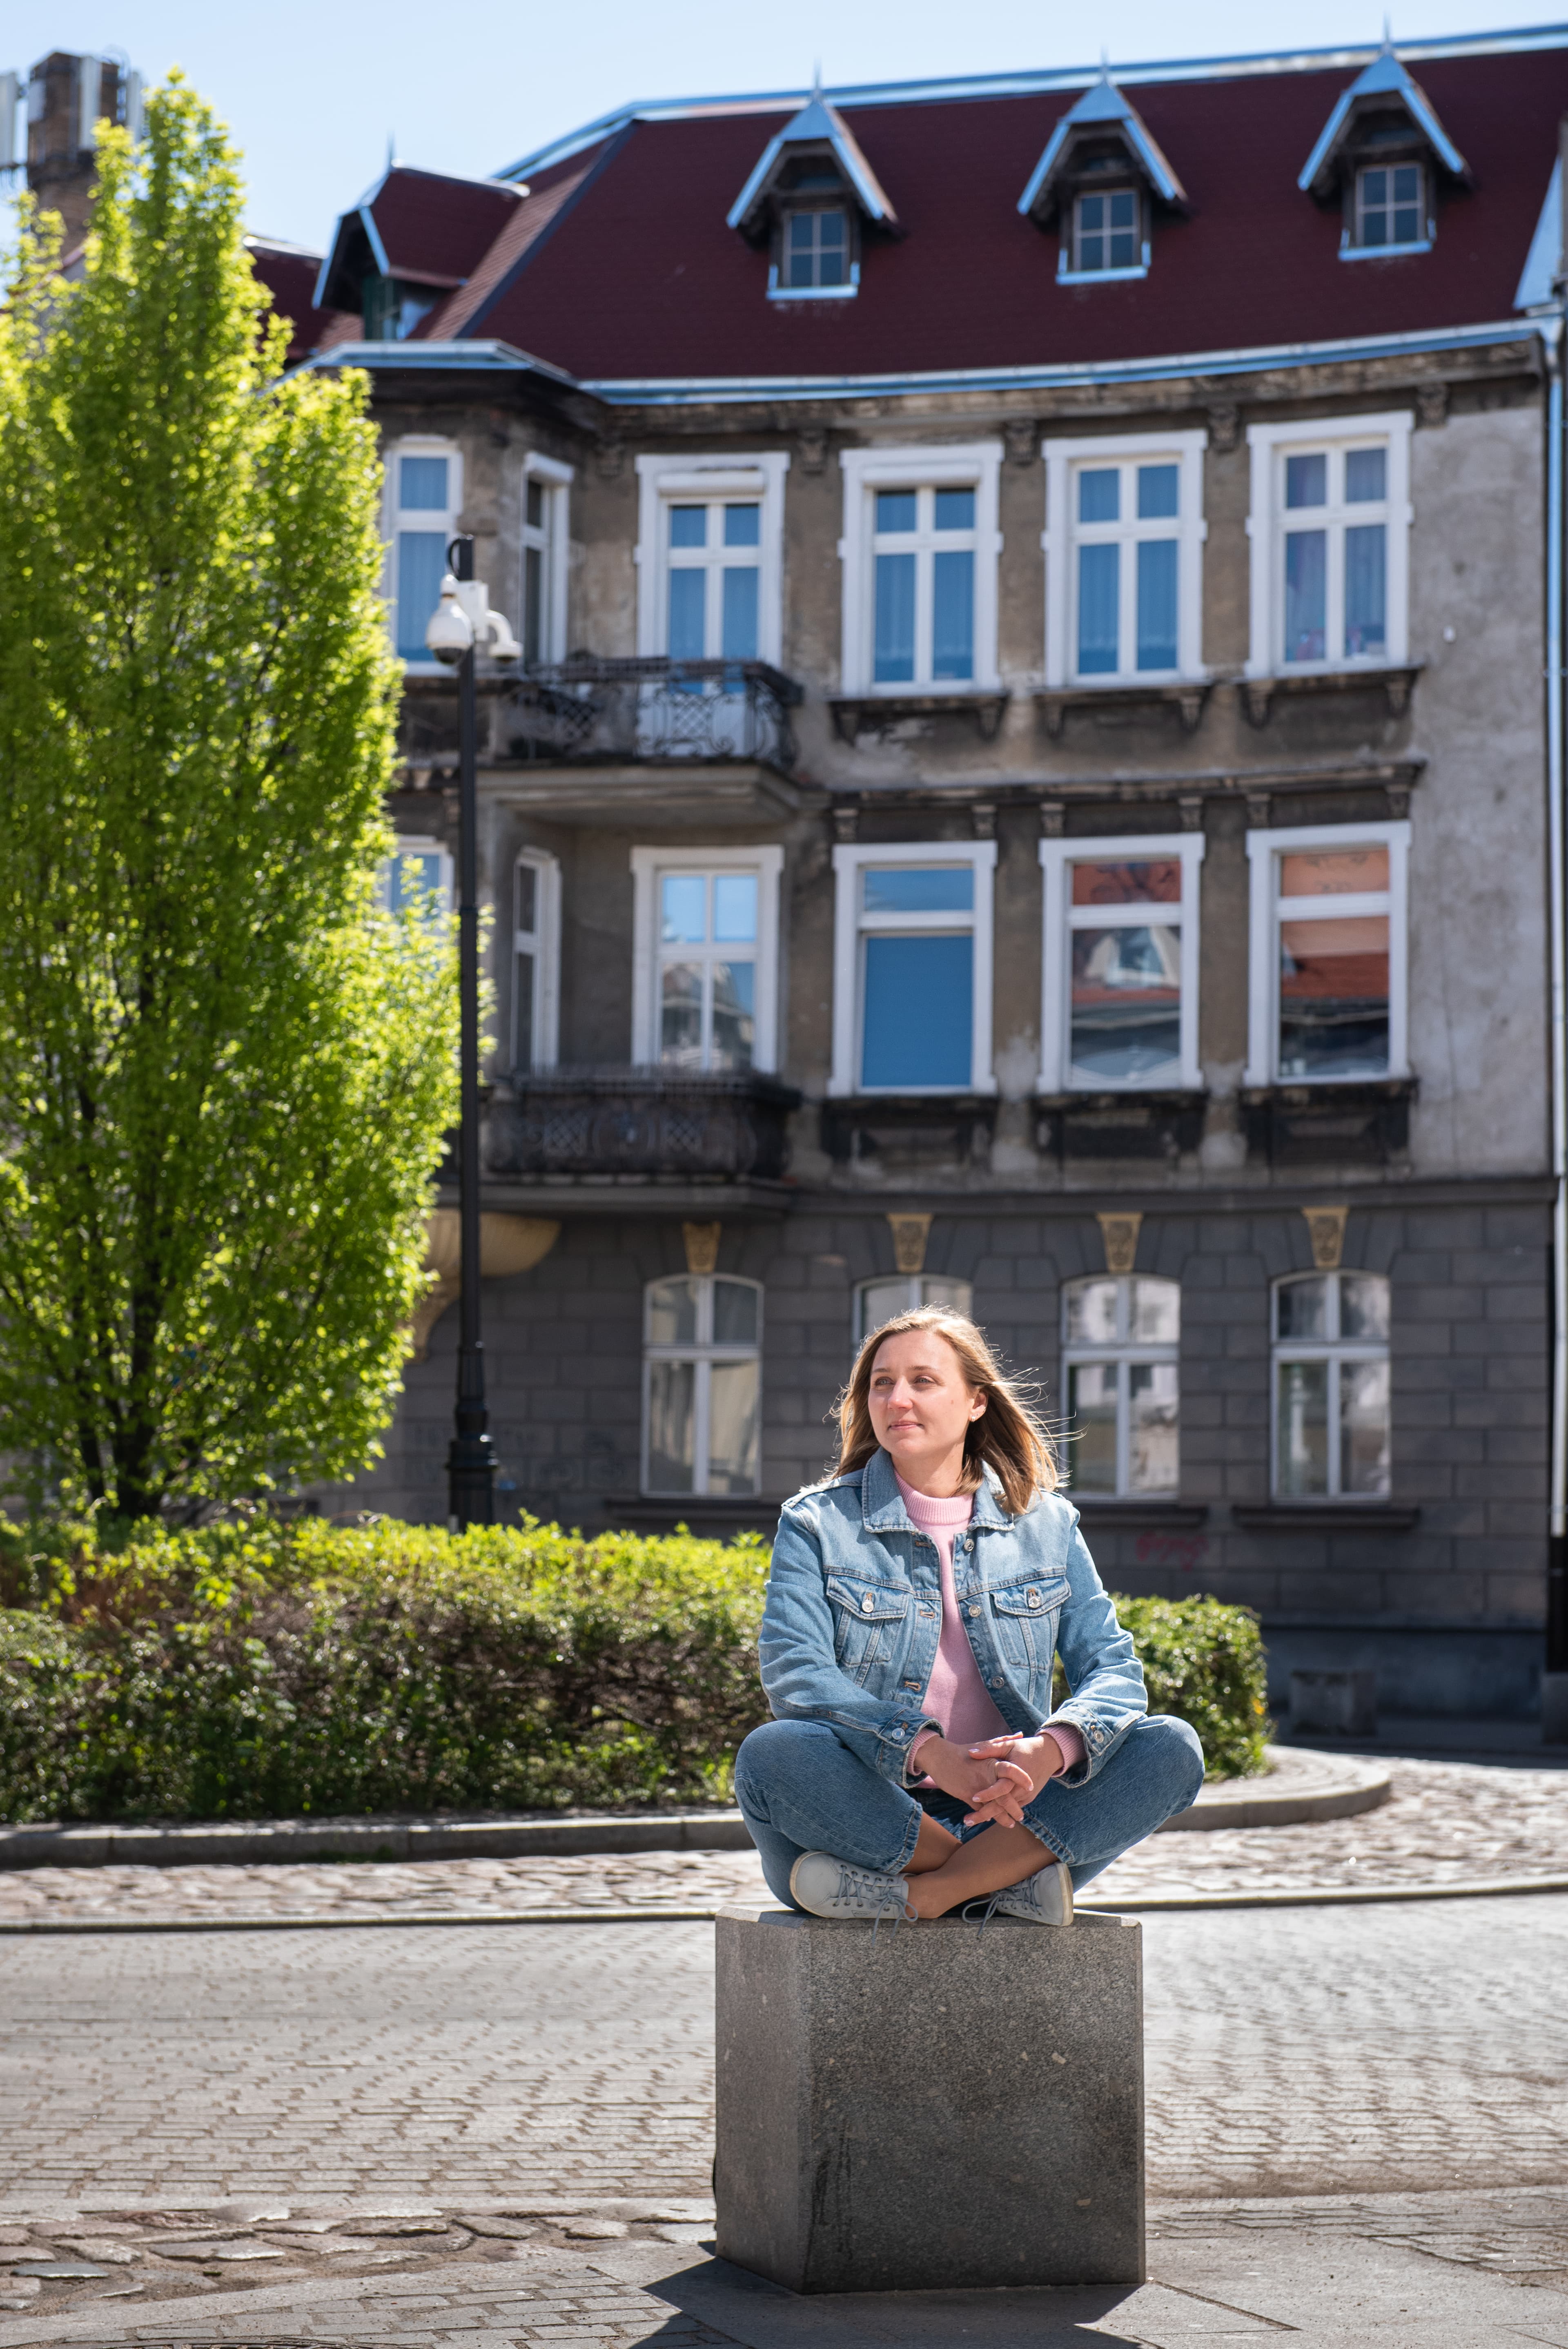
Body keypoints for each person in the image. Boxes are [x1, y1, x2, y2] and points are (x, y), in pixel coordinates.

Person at [734, 1307, 1205, 1925]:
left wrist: (1051, 1751)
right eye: (881, 1383)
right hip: (873, 1810)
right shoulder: (817, 1523)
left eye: (923, 1381)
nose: (897, 1399)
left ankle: (928, 1895)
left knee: (1172, 1746)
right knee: (772, 1755)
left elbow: (1114, 1668)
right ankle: (996, 1882)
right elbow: (798, 1674)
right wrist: (929, 1753)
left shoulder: (1046, 1523)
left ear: (976, 1402)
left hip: (1013, 1809)